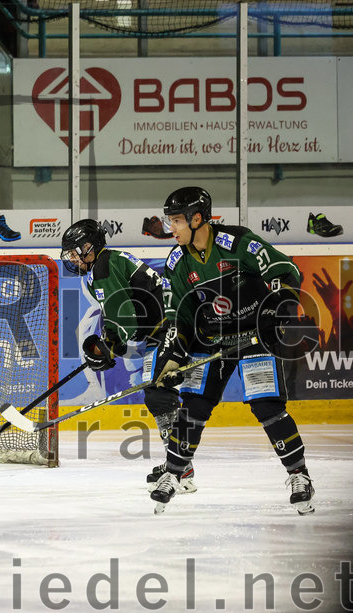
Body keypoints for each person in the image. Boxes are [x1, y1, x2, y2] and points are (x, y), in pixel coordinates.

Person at [150, 186, 316, 515]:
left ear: (197, 218)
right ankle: (174, 473)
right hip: (211, 340)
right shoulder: (178, 262)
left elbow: (285, 271)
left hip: (255, 337)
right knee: (193, 406)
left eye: (177, 221)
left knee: (267, 406)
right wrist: (172, 359)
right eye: (170, 221)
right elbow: (179, 318)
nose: (172, 228)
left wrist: (276, 311)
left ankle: (300, 476)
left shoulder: (238, 243)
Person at [60, 220, 193, 492]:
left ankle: (180, 468)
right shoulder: (107, 262)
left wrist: (109, 346)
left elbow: (125, 322)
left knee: (158, 393)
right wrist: (111, 344)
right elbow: (121, 314)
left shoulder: (103, 267)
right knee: (159, 394)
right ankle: (179, 464)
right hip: (163, 327)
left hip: (171, 324)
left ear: (91, 246)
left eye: (76, 251)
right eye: (70, 254)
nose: (73, 258)